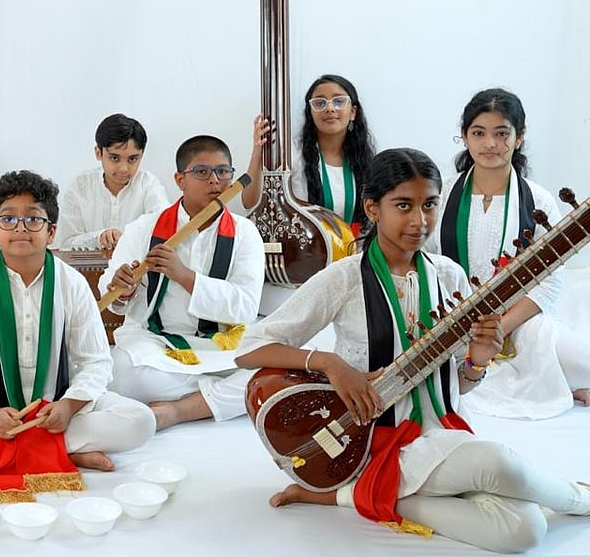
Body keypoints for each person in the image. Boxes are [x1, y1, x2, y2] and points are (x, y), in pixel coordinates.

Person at [235, 148, 590, 553]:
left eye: (430, 205)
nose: (419, 220)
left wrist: (476, 362)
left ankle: (351, 495)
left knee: (524, 530)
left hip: (442, 435)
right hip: (372, 443)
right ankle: (581, 497)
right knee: (500, 465)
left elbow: (456, 384)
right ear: (373, 208)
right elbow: (250, 349)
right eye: (403, 205)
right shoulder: (344, 278)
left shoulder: (448, 275)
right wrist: (330, 363)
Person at [0, 170, 155, 472]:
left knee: (140, 421)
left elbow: (96, 362)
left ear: (52, 232)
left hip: (57, 408)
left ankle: (20, 451)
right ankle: (63, 452)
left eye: (33, 219)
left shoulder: (72, 283)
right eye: (8, 219)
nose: (21, 228)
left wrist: (68, 406)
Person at [427, 88, 590, 417]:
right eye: (479, 133)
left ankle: (560, 380)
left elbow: (551, 280)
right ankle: (557, 381)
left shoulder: (538, 200)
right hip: (451, 322)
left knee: (584, 364)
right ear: (464, 137)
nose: (490, 144)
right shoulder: (440, 194)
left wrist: (500, 328)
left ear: (519, 137)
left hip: (521, 321)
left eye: (501, 133)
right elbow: (426, 260)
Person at [103, 135, 264, 430]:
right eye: (202, 172)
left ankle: (178, 410)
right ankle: (213, 398)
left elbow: (245, 308)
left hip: (221, 345)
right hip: (157, 344)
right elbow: (112, 297)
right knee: (119, 372)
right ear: (180, 180)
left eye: (223, 171)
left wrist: (184, 276)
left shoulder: (245, 233)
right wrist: (123, 290)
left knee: (273, 371)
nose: (215, 181)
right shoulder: (143, 228)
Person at [242, 74, 376, 231]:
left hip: (352, 244)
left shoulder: (365, 160)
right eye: (320, 103)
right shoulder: (292, 153)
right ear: (310, 113)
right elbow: (250, 203)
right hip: (304, 245)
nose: (330, 108)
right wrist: (258, 151)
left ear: (353, 112)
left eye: (339, 101)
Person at [58, 113, 170, 251]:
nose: (124, 168)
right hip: (87, 266)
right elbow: (66, 243)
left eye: (133, 159)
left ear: (142, 155)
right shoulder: (80, 187)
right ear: (98, 153)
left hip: (136, 265)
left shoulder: (148, 184)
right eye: (115, 158)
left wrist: (128, 240)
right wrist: (98, 238)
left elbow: (165, 232)